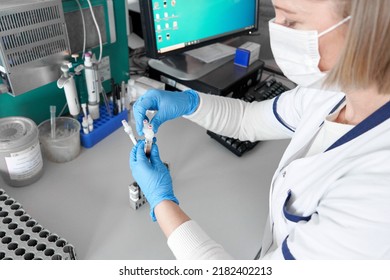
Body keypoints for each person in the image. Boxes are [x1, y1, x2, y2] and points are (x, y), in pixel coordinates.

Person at [130, 0, 390, 259]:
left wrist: (161, 200)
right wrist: (190, 103)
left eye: (291, 21)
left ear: (366, 30)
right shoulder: (333, 90)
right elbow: (249, 120)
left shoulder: (377, 195)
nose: (276, 28)